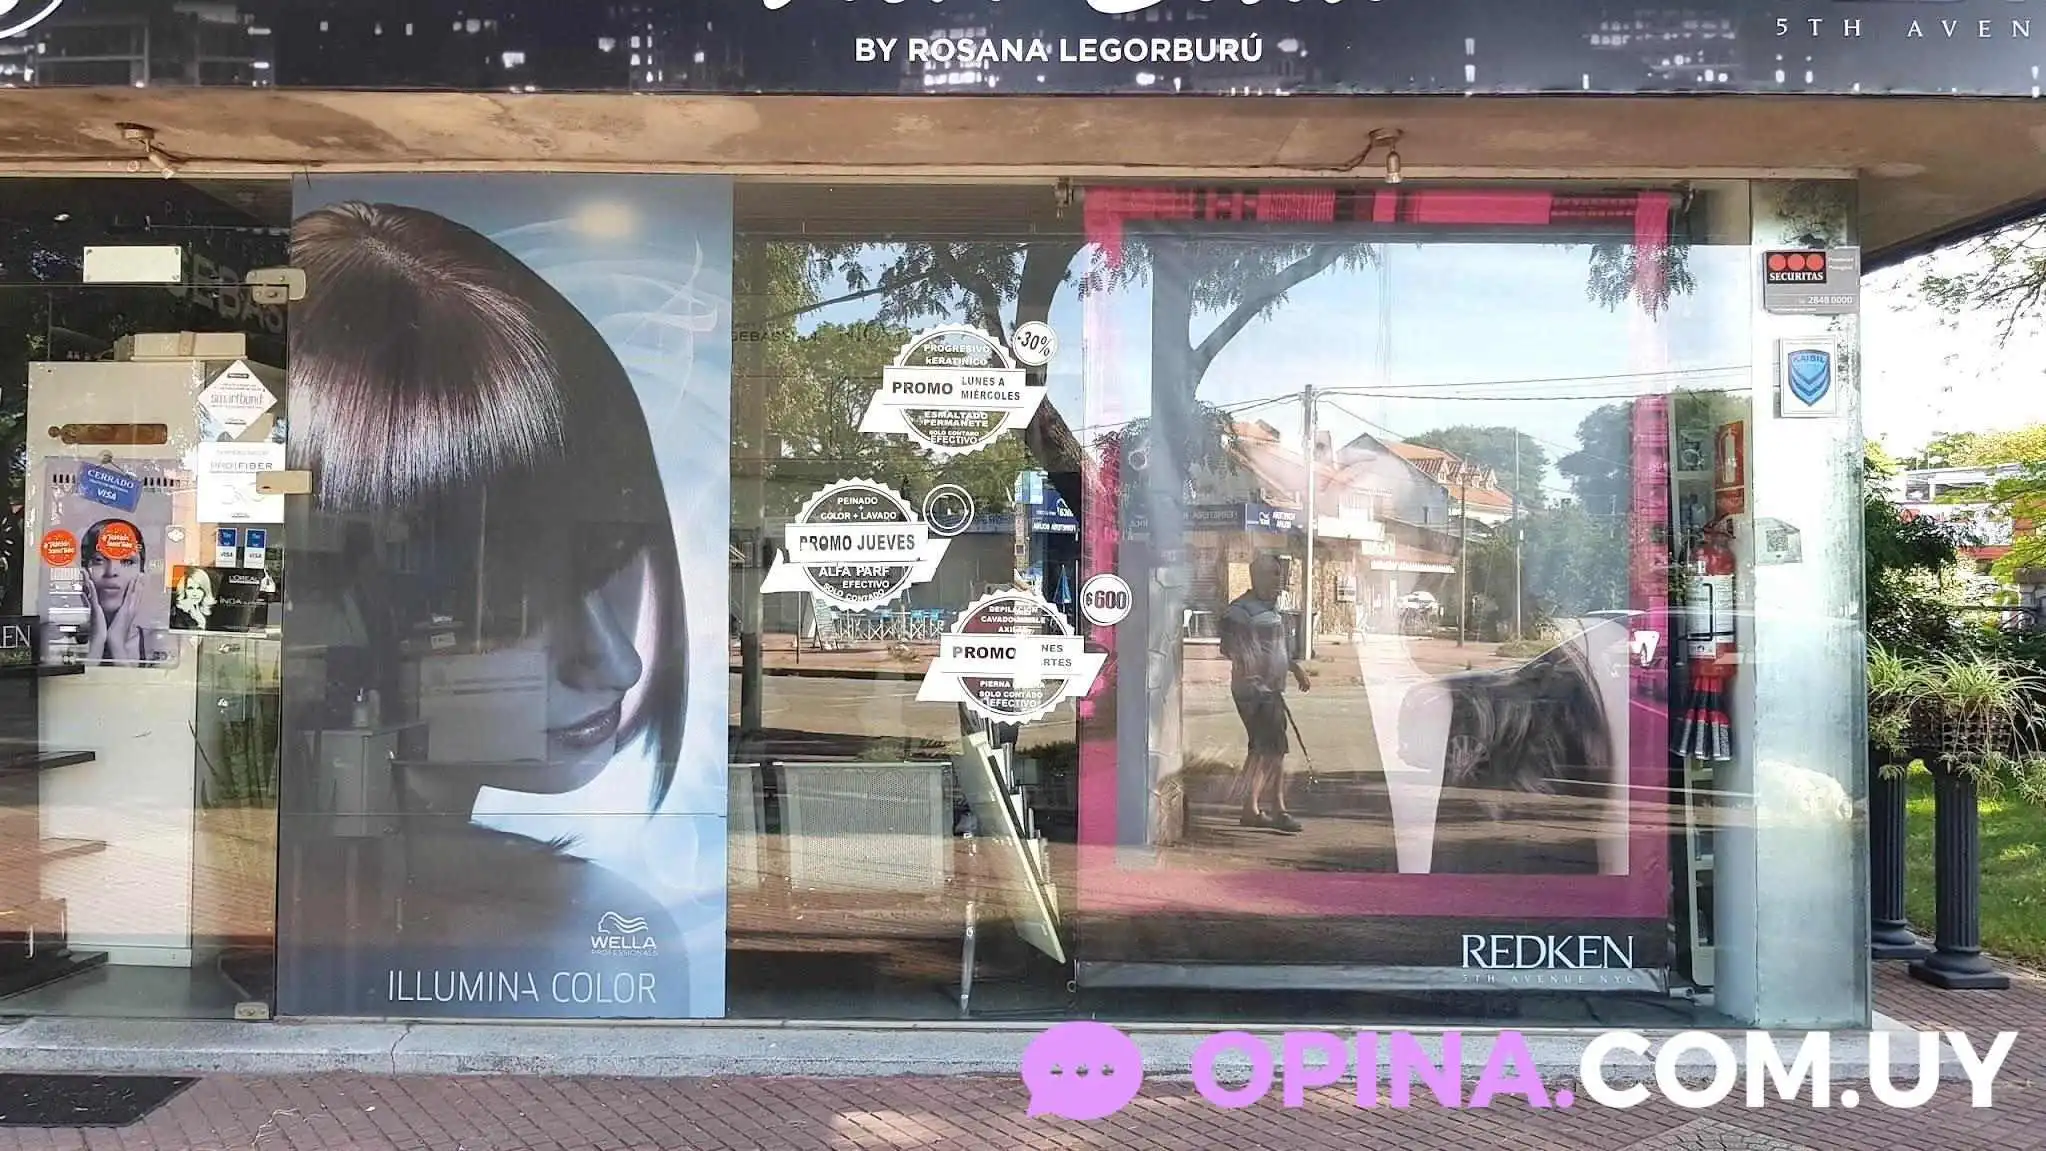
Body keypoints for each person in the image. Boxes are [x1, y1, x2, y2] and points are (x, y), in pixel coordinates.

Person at [278, 200, 696, 1018]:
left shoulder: (597, 937)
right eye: (508, 595)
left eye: (611, 552)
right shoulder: (599, 946)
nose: (616, 661)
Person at [1218, 552, 1310, 833]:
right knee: (1273, 749)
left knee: (1264, 749)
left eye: (1280, 575)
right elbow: (1231, 649)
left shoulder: (1271, 610)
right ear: (1256, 577)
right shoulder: (1240, 611)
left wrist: (1294, 668)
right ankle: (1276, 809)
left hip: (1271, 689)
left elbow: (1275, 649)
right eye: (1274, 575)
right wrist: (1256, 673)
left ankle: (1254, 808)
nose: (1279, 581)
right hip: (1254, 691)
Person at [81, 517, 153, 665]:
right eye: (99, 560)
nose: (111, 571)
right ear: (83, 573)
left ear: (142, 575)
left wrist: (116, 643)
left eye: (127, 561)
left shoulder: (158, 642)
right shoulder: (58, 638)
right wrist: (97, 642)